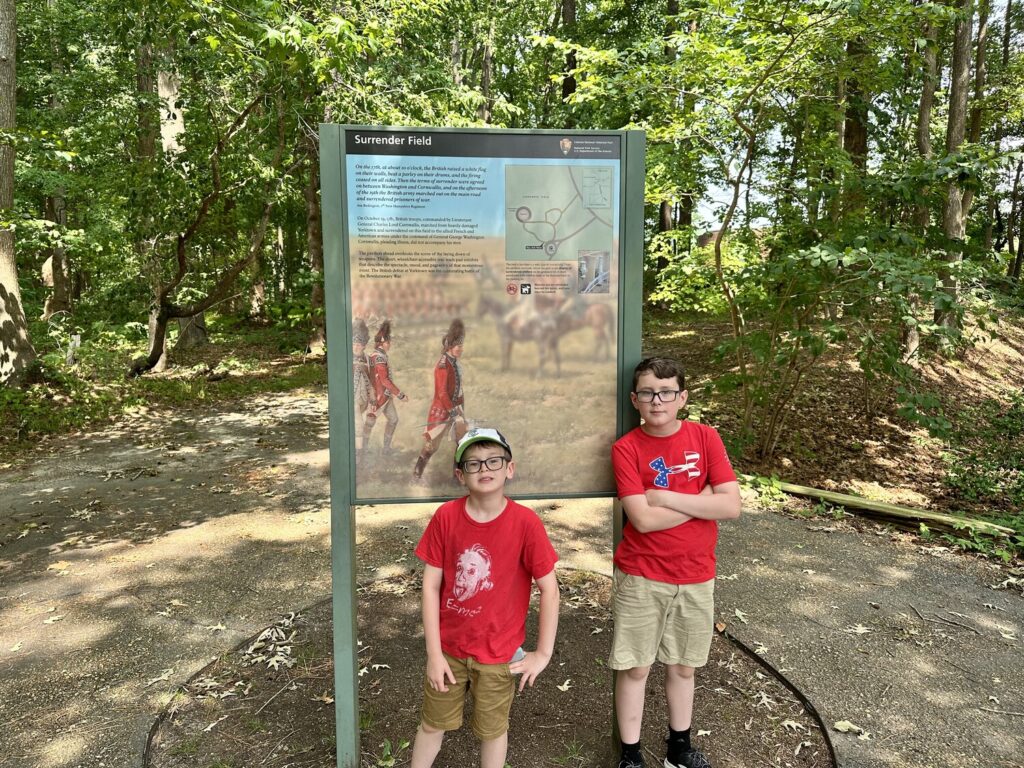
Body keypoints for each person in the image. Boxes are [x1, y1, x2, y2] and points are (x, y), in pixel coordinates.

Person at [610, 357, 742, 768]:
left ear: (682, 398)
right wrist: (704, 502)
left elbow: (732, 506)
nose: (657, 400)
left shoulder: (706, 438)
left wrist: (666, 497)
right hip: (642, 574)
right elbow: (643, 521)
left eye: (666, 392)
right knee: (635, 667)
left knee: (684, 666)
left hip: (696, 573)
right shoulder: (626, 449)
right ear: (635, 399)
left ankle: (679, 749)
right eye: (648, 392)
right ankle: (631, 756)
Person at [410, 427, 560, 768]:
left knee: (492, 731)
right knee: (432, 723)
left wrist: (544, 653)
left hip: (499, 655)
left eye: (494, 460)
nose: (484, 469)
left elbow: (550, 589)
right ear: (460, 475)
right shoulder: (446, 517)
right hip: (448, 651)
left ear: (510, 468)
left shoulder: (525, 523)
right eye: (474, 464)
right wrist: (434, 654)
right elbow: (431, 587)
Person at [414, 319, 468, 480]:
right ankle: (417, 473)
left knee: (461, 441)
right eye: (459, 346)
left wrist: (459, 410)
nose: (461, 349)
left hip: (455, 409)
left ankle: (456, 477)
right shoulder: (443, 365)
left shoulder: (454, 363)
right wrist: (452, 411)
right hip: (441, 410)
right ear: (450, 347)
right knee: (432, 446)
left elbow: (457, 389)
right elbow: (442, 393)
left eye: (461, 346)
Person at [363, 320, 407, 452]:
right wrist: (400, 394)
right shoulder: (379, 358)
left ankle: (386, 448)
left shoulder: (382, 356)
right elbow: (384, 381)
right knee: (370, 423)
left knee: (393, 419)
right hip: (377, 397)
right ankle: (362, 449)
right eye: (388, 342)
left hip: (386, 396)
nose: (390, 345)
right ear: (382, 343)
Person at [352, 318, 371, 423]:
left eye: (358, 345)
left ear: (363, 346)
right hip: (353, 397)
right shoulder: (347, 358)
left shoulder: (368, 359)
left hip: (365, 398)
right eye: (353, 344)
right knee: (358, 428)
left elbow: (372, 378)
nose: (355, 347)